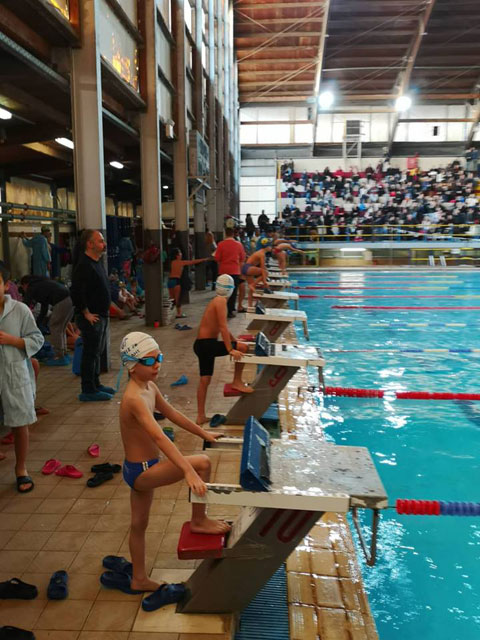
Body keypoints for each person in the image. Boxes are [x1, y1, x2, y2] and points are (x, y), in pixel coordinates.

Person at [119, 331, 230, 592]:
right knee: (202, 463)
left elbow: (172, 414)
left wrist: (203, 433)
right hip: (142, 472)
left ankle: (138, 578)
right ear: (132, 366)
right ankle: (199, 521)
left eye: (159, 358)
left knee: (138, 525)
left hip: (138, 469)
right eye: (149, 361)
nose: (157, 364)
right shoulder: (134, 399)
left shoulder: (149, 387)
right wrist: (188, 471)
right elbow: (159, 437)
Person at [0, 261, 44, 491]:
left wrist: (13, 341)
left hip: (13, 375)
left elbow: (37, 339)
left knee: (19, 424)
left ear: (6, 285)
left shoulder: (19, 310)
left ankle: (21, 469)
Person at [193, 274, 253, 426]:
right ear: (231, 289)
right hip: (207, 344)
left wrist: (233, 341)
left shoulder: (216, 300)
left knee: (205, 380)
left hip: (202, 345)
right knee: (243, 348)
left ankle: (200, 416)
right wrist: (231, 349)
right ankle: (237, 382)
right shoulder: (221, 302)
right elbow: (223, 327)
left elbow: (223, 328)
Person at [70, 229, 116, 402]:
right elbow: (76, 291)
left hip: (101, 315)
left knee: (97, 352)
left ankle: (96, 384)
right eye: (100, 241)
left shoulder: (96, 262)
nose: (104, 244)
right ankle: (88, 389)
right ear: (89, 244)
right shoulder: (84, 265)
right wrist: (86, 313)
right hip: (92, 317)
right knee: (90, 353)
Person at [20, 275, 73, 365]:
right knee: (61, 328)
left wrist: (19, 316)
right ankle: (63, 354)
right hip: (70, 299)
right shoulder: (41, 284)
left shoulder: (32, 287)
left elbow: (25, 304)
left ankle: (59, 356)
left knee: (55, 327)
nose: (24, 290)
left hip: (61, 301)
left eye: (23, 287)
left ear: (25, 284)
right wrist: (38, 323)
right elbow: (44, 306)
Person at [168, 249, 209, 318]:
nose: (181, 254)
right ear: (177, 256)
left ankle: (170, 312)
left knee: (172, 299)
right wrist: (203, 259)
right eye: (180, 253)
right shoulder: (181, 262)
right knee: (178, 299)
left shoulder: (171, 263)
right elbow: (192, 262)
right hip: (177, 281)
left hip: (170, 281)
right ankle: (179, 314)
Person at [214, 227, 245, 318]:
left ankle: (221, 309)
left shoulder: (221, 244)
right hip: (235, 271)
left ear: (225, 234)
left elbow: (217, 258)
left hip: (223, 270)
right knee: (233, 292)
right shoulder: (238, 244)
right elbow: (242, 258)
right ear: (233, 234)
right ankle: (230, 311)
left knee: (222, 291)